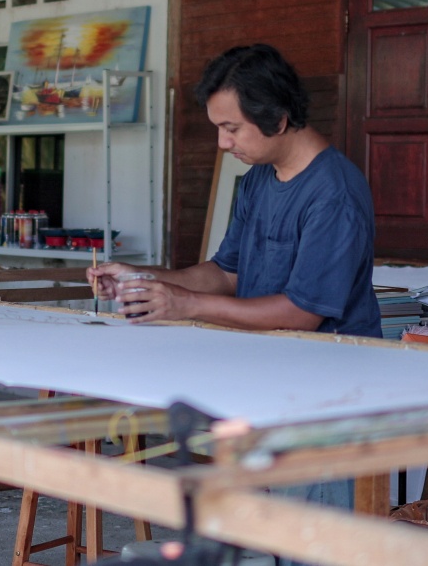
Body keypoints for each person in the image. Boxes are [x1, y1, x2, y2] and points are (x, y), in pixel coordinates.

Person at [87, 44, 380, 566]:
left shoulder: (333, 193)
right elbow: (226, 273)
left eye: (233, 128)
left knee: (312, 545)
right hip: (264, 385)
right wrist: (145, 279)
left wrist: (183, 305)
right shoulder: (259, 182)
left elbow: (299, 313)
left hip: (326, 399)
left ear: (279, 118)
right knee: (257, 538)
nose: (223, 143)